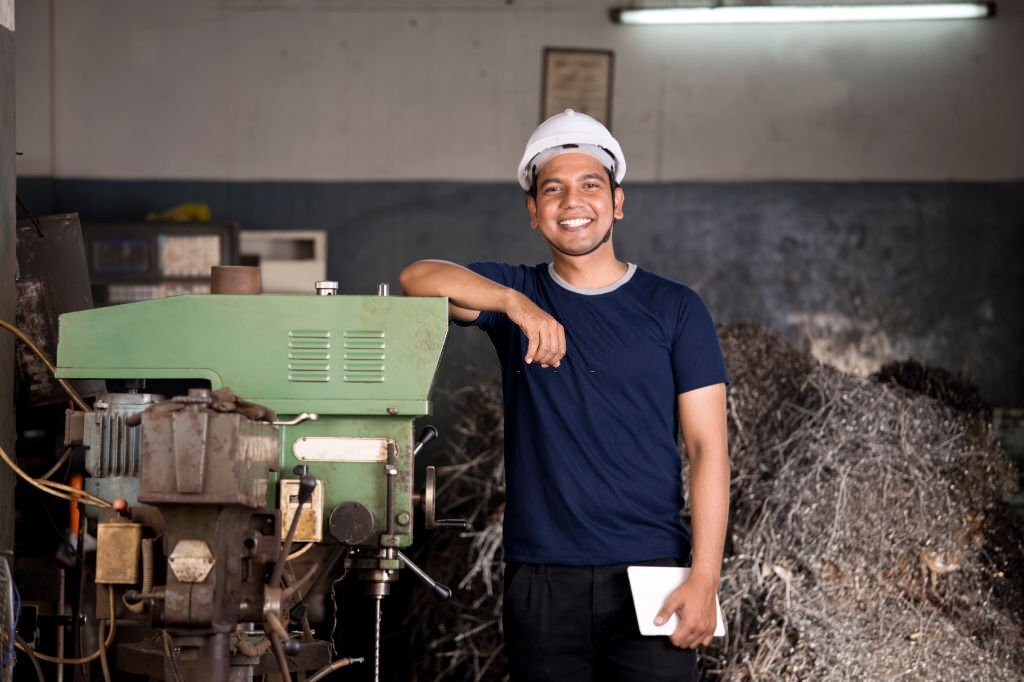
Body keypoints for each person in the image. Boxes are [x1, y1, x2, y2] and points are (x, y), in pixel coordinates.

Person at [400, 109, 729, 681]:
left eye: (590, 185)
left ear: (617, 202)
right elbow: (417, 278)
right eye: (552, 190)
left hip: (652, 572)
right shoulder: (516, 294)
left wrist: (704, 579)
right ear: (534, 212)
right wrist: (515, 305)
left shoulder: (675, 308)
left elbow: (708, 451)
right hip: (543, 578)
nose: (571, 202)